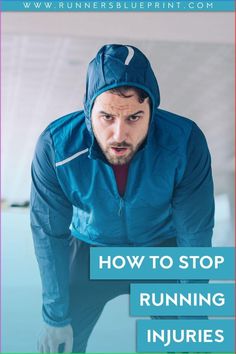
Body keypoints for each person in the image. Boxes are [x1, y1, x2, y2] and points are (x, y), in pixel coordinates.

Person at [30, 44, 214, 353]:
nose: (119, 134)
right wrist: (54, 317)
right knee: (59, 344)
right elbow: (49, 234)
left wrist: (192, 317)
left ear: (152, 111)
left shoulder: (184, 142)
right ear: (88, 111)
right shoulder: (56, 147)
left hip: (159, 249)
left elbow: (193, 233)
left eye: (134, 117)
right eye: (107, 117)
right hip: (91, 249)